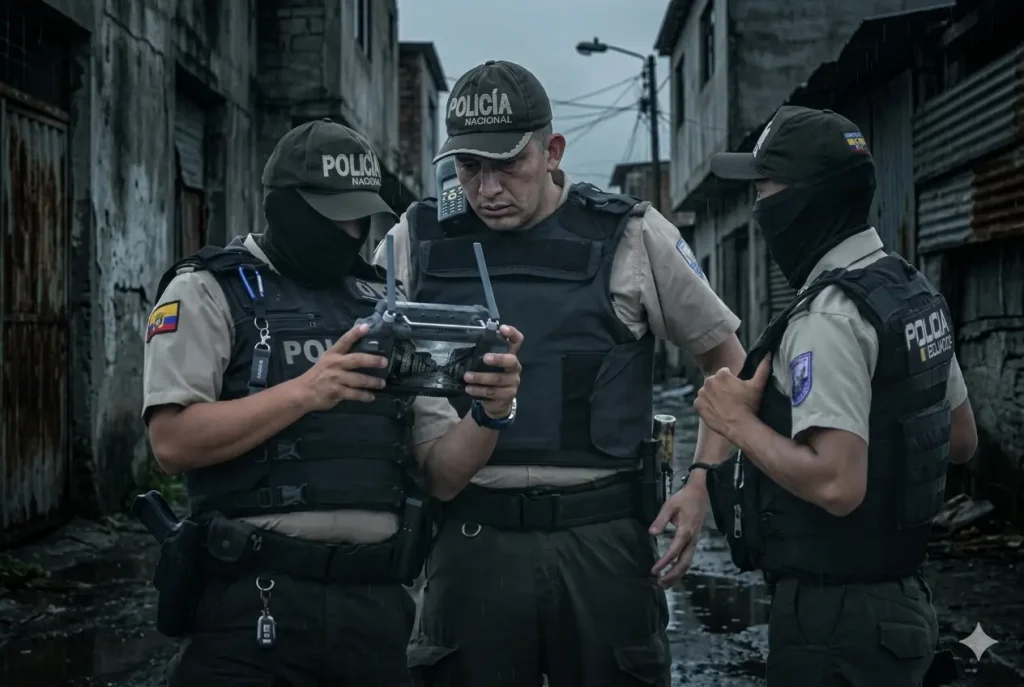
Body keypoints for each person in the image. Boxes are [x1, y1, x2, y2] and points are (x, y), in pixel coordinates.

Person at [374, 60, 746, 687]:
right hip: (470, 540)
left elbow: (727, 362)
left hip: (599, 542)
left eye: (507, 164)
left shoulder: (630, 233)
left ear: (552, 151)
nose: (487, 187)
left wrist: (703, 481)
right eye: (469, 168)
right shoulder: (416, 240)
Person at [141, 118, 524, 687]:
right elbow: (171, 443)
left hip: (372, 608)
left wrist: (492, 411)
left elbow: (442, 475)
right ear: (286, 206)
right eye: (334, 212)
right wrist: (304, 393)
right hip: (251, 603)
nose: (350, 230)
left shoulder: (385, 305)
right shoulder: (209, 290)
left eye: (359, 214)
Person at [698, 105, 979, 687]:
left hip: (836, 624)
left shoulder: (830, 316)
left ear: (805, 200)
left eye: (764, 187)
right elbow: (960, 440)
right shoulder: (908, 287)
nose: (758, 206)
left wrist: (737, 423)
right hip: (901, 605)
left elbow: (837, 484)